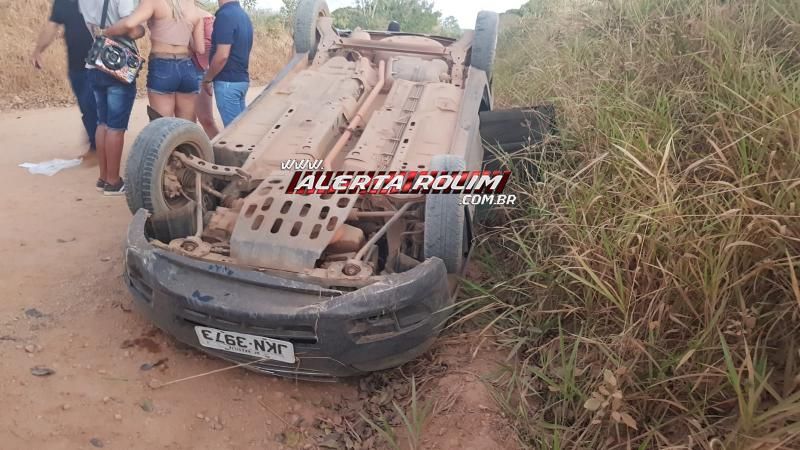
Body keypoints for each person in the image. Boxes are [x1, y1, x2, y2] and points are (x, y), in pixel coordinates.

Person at [78, 0, 144, 195]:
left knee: (103, 123)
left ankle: (104, 177)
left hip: (96, 62)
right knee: (116, 127)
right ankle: (114, 182)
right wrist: (141, 30)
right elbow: (130, 27)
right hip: (117, 65)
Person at [104, 0, 206, 120]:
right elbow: (200, 49)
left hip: (162, 66)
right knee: (187, 127)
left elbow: (129, 24)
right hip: (187, 68)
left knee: (162, 127)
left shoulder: (154, 2)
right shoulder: (193, 7)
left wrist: (107, 32)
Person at [31, 0, 98, 159]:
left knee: (92, 108)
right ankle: (96, 147)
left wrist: (38, 51)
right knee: (89, 108)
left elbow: (52, 26)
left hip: (97, 63)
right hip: (83, 63)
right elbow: (53, 25)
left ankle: (99, 149)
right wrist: (38, 51)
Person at [201, 0, 253, 127]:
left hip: (227, 83)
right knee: (241, 130)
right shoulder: (243, 15)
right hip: (241, 80)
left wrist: (208, 79)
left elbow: (222, 55)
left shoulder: (225, 16)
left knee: (233, 135)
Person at [192, 7, 219, 138]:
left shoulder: (207, 18)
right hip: (178, 70)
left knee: (206, 119)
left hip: (200, 71)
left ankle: (220, 153)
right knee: (185, 121)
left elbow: (209, 47)